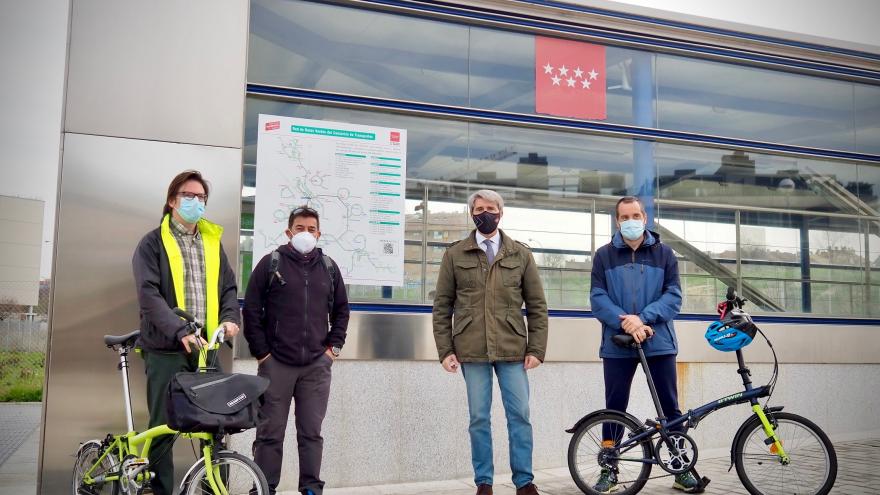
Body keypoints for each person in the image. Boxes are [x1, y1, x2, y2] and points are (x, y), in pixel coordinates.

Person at [432, 189, 548, 495]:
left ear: (501, 212)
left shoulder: (520, 254)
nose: (486, 213)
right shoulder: (455, 254)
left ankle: (524, 481)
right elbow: (442, 306)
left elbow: (537, 305)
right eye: (480, 208)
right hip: (471, 350)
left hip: (512, 349)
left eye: (491, 208)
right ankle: (484, 482)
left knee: (519, 416)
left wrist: (536, 349)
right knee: (479, 418)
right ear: (472, 213)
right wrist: (445, 350)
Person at [132, 170, 241, 495]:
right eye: (188, 196)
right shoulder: (152, 243)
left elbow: (229, 289)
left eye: (201, 198)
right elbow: (148, 295)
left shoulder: (211, 242)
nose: (196, 202)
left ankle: (212, 489)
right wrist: (180, 330)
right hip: (166, 348)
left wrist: (229, 318)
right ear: (172, 200)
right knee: (163, 429)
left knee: (218, 425)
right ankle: (161, 490)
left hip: (206, 349)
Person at [589, 196, 700, 493]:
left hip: (658, 342)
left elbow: (673, 296)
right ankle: (609, 470)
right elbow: (597, 299)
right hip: (617, 343)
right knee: (614, 408)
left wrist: (642, 319)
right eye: (624, 217)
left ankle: (680, 467)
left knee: (670, 408)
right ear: (617, 221)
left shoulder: (665, 254)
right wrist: (626, 322)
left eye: (635, 215)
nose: (630, 221)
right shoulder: (604, 255)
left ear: (645, 217)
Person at [243, 206, 350, 495]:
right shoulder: (271, 263)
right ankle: (264, 488)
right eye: (300, 228)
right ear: (289, 232)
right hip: (276, 364)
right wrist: (262, 353)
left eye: (311, 228)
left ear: (319, 233)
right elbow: (251, 310)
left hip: (316, 365)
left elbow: (341, 310)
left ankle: (312, 488)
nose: (306, 233)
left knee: (311, 434)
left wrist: (332, 350)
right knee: (269, 433)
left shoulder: (328, 267)